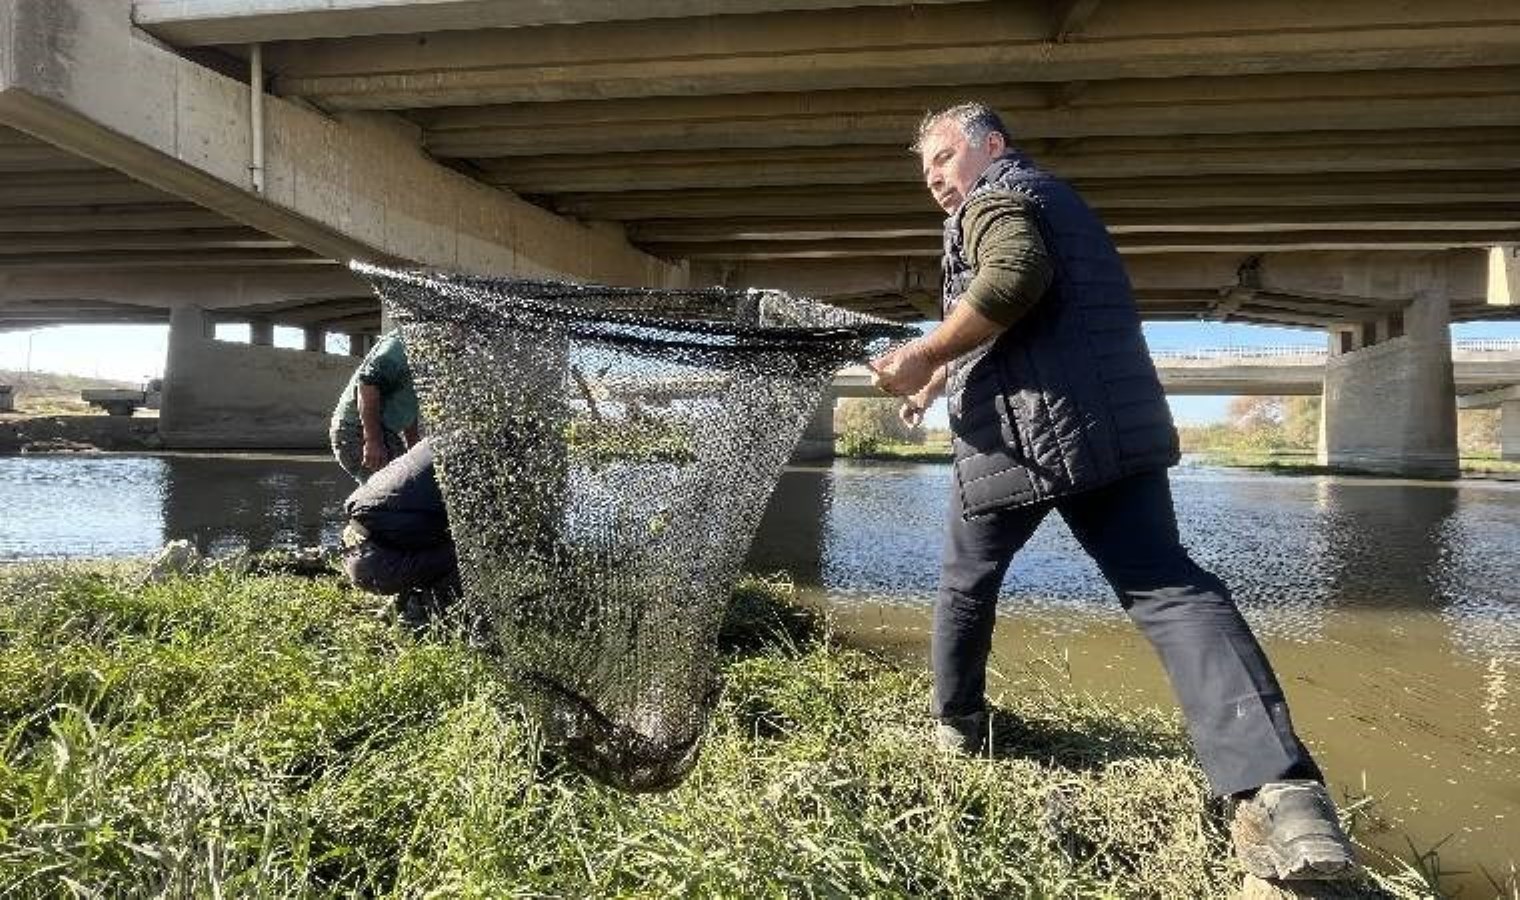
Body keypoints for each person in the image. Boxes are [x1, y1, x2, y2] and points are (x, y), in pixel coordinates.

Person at [869, 103, 1358, 882]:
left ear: (991, 146)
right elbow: (1038, 317)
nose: (934, 178)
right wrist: (938, 376)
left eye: (943, 157)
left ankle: (958, 724)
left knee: (966, 584)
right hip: (1110, 430)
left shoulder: (995, 198)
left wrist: (923, 349)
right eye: (924, 169)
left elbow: (1013, 280)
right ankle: (1285, 796)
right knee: (1170, 588)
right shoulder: (1054, 198)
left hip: (1022, 438)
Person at [340, 437, 459, 628]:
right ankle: (419, 612)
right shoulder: (471, 463)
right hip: (374, 565)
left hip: (354, 540)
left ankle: (407, 600)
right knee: (471, 551)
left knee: (431, 531)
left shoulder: (441, 439)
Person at [330, 331, 420, 483]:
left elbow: (408, 404)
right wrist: (373, 441)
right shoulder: (401, 345)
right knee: (393, 495)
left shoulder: (428, 355)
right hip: (356, 430)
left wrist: (414, 448)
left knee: (410, 485)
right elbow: (367, 385)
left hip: (387, 433)